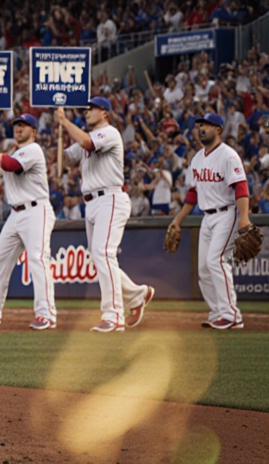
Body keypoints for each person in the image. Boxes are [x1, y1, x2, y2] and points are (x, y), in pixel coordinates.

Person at [56, 97, 153, 332]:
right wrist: (59, 134)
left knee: (103, 253)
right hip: (92, 203)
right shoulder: (87, 138)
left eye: (93, 109)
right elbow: (66, 161)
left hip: (110, 198)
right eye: (87, 108)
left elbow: (88, 144)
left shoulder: (109, 133)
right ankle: (136, 295)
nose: (87, 112)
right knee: (100, 258)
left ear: (105, 114)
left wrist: (65, 121)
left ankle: (113, 315)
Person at [0, 115, 57, 329]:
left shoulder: (33, 150)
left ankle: (46, 314)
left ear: (33, 131)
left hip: (36, 210)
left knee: (37, 259)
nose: (18, 128)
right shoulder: (15, 152)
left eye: (23, 125)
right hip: (16, 214)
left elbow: (11, 164)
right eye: (16, 125)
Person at [166, 114, 249, 329]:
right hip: (207, 217)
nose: (202, 128)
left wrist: (245, 219)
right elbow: (193, 194)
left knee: (216, 260)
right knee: (203, 268)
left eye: (207, 125)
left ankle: (231, 315)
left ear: (219, 129)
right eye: (200, 125)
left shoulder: (229, 156)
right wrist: (177, 220)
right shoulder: (197, 159)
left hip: (226, 214)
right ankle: (217, 311)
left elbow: (241, 188)